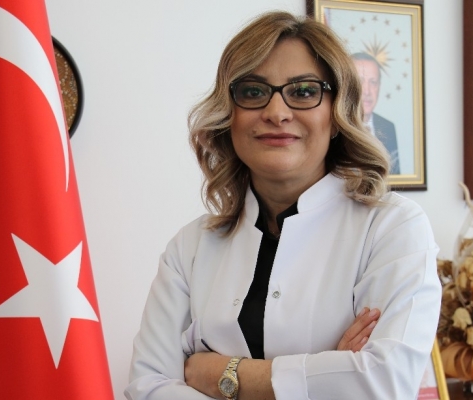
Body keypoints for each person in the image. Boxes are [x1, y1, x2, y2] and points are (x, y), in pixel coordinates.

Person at [125, 11, 440, 400]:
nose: (276, 113)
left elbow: (382, 384)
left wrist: (221, 375)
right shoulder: (189, 248)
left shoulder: (393, 229)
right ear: (229, 115)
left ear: (336, 114)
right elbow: (147, 388)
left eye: (304, 91)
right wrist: (325, 372)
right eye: (253, 91)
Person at [351, 52, 400, 175]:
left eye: (373, 82)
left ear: (379, 86)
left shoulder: (388, 127)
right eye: (360, 81)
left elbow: (395, 178)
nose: (367, 91)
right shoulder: (334, 128)